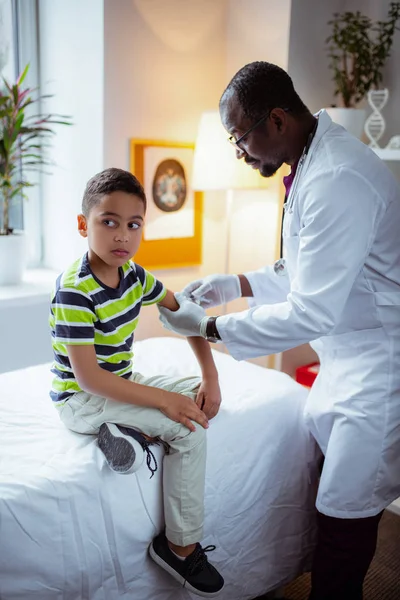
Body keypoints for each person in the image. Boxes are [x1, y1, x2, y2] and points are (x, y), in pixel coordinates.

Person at [158, 61, 400, 600]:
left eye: (239, 136)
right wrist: (232, 284)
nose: (239, 151)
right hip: (346, 358)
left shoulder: (338, 176)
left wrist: (212, 328)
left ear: (276, 119)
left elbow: (312, 310)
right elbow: (301, 270)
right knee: (331, 500)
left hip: (381, 366)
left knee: (347, 513)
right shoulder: (312, 162)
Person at [49, 167, 224, 597]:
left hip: (121, 381)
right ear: (82, 225)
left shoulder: (135, 277)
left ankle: (129, 430)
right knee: (188, 429)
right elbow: (88, 378)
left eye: (133, 224)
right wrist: (162, 403)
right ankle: (179, 548)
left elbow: (183, 314)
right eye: (108, 221)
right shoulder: (74, 290)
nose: (122, 235)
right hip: (82, 398)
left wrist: (209, 375)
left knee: (192, 396)